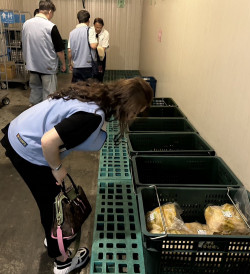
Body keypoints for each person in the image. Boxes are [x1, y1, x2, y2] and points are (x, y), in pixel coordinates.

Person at [0, 77, 153, 273]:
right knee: (53, 205)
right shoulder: (92, 116)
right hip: (27, 146)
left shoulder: (97, 94)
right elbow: (48, 142)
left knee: (50, 199)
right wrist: (56, 168)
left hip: (22, 130)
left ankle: (53, 237)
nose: (132, 117)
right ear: (126, 105)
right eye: (134, 112)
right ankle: (62, 261)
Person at [22, 1, 66, 106]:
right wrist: (63, 63)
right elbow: (59, 49)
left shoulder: (26, 24)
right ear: (50, 12)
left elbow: (23, 43)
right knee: (49, 95)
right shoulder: (50, 26)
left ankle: (34, 113)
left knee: (35, 92)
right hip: (47, 67)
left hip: (32, 66)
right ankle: (46, 117)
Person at [68, 10, 98, 83]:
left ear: (78, 20)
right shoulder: (90, 30)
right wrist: (97, 41)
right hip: (88, 66)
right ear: (88, 20)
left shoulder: (72, 33)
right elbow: (93, 46)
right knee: (88, 91)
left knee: (77, 90)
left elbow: (69, 51)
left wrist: (70, 63)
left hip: (76, 66)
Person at [90, 18, 109, 82]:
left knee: (100, 73)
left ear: (102, 26)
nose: (98, 29)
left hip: (101, 54)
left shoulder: (106, 33)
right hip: (91, 54)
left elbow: (104, 47)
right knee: (92, 74)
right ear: (93, 25)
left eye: (100, 27)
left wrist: (100, 58)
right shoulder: (90, 31)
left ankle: (100, 85)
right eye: (96, 27)